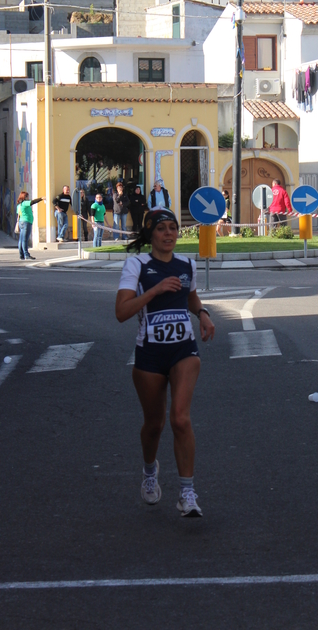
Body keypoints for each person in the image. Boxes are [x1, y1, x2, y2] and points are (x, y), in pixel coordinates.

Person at [115, 207, 215, 518]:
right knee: (154, 425)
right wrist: (155, 290)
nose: (169, 233)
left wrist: (202, 313)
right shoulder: (137, 265)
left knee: (180, 419)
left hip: (184, 350)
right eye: (162, 229)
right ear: (150, 234)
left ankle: (187, 493)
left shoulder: (187, 264)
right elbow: (121, 312)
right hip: (150, 354)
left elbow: (191, 297)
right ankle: (149, 471)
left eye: (173, 228)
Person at [16, 191, 45, 260]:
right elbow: (33, 202)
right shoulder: (25, 203)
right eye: (27, 196)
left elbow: (18, 215)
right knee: (25, 240)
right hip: (26, 222)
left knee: (21, 239)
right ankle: (26, 255)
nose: (28, 198)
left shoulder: (19, 205)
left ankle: (21, 254)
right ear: (25, 197)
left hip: (21, 222)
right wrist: (41, 198)